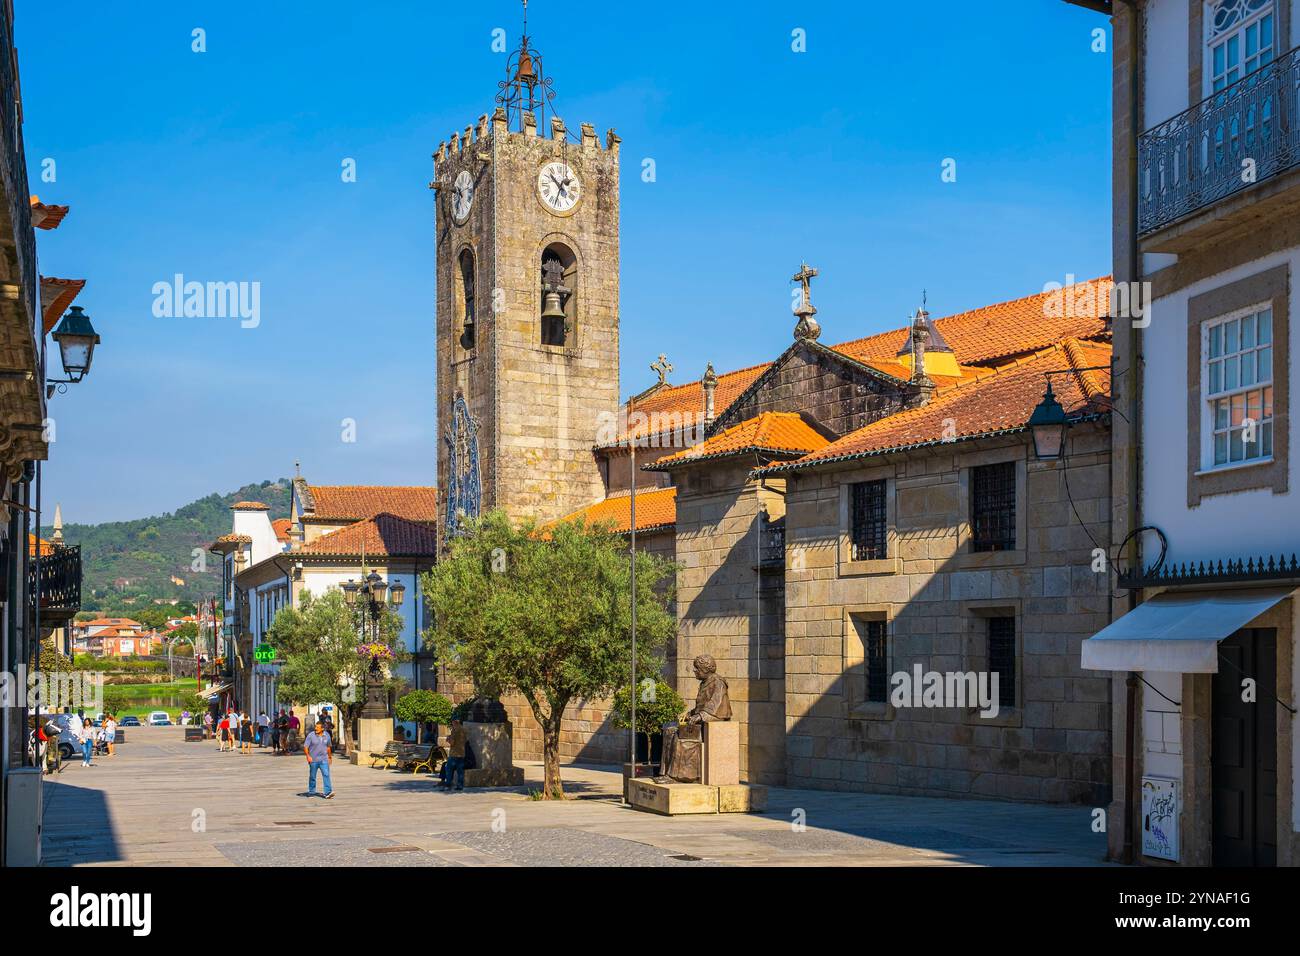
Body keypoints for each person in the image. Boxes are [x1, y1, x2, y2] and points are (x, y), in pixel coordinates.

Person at [303, 721, 333, 798]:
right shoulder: (311, 735)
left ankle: (328, 793)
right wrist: (308, 756)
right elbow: (306, 747)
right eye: (315, 727)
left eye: (317, 727)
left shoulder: (327, 735)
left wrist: (330, 757)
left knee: (326, 775)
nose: (315, 728)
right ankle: (311, 792)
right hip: (313, 760)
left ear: (322, 728)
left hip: (324, 759)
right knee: (312, 776)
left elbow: (328, 747)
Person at [440, 719, 466, 791]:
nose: (452, 724)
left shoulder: (454, 731)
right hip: (462, 753)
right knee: (460, 771)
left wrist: (448, 739)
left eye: (452, 722)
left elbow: (452, 743)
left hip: (454, 754)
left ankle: (448, 784)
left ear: (454, 722)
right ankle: (460, 786)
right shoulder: (463, 730)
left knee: (449, 769)